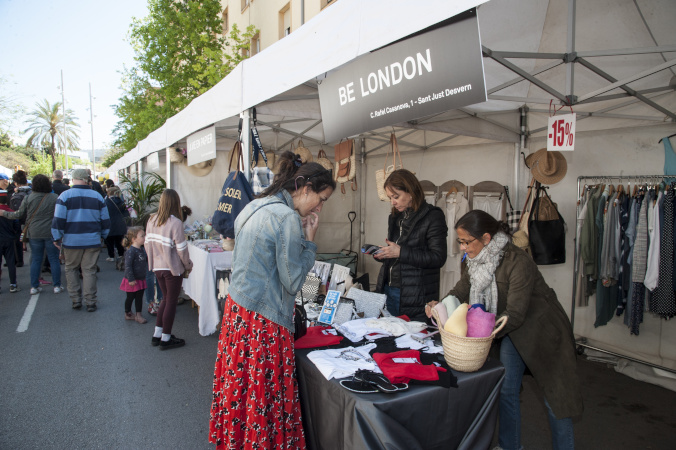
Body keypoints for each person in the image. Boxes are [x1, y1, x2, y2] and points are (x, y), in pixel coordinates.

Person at [426, 210, 583, 450]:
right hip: (510, 331)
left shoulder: (518, 262)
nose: (463, 248)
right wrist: (440, 305)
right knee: (506, 391)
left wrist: (477, 335)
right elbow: (460, 291)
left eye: (467, 242)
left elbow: (516, 313)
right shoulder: (474, 262)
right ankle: (510, 446)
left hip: (543, 332)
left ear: (487, 238)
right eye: (460, 242)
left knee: (556, 399)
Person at [209, 151, 335, 448]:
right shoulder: (286, 217)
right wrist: (310, 242)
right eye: (322, 199)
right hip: (263, 321)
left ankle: (239, 440)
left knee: (243, 388)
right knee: (263, 391)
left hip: (239, 314)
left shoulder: (256, 205)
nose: (320, 206)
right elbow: (293, 282)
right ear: (305, 189)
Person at [372, 169, 448, 320]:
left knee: (411, 339)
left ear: (411, 192)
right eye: (390, 197)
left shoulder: (433, 216)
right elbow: (398, 250)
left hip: (416, 294)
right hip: (388, 288)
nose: (392, 202)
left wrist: (400, 253)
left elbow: (438, 258)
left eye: (396, 197)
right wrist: (385, 254)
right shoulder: (395, 216)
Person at [51, 168, 110, 311]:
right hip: (92, 239)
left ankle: (76, 300)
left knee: (71, 269)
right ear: (87, 179)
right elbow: (106, 221)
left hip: (71, 241)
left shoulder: (64, 196)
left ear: (72, 179)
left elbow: (58, 220)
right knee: (89, 270)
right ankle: (91, 301)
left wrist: (57, 237)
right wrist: (102, 236)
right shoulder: (97, 196)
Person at [145, 189, 193, 350]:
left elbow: (147, 243)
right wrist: (188, 265)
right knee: (171, 300)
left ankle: (157, 334)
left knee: (165, 299)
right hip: (172, 268)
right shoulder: (175, 222)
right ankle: (166, 338)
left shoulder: (151, 220)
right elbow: (182, 249)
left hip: (157, 266)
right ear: (176, 203)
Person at [1, 174, 63, 294]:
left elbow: (18, 214)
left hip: (34, 232)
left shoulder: (29, 198)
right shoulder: (54, 197)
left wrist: (4, 213)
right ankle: (57, 285)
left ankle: (34, 286)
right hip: (51, 232)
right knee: (54, 259)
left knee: (36, 259)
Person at [120, 226, 148, 324]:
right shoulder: (131, 251)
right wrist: (131, 279)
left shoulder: (142, 249)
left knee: (139, 297)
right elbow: (128, 266)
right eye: (142, 236)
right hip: (132, 280)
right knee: (131, 297)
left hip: (141, 279)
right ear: (134, 239)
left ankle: (138, 314)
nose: (145, 237)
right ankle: (128, 313)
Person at [0, 190, 21, 293]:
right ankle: (13, 284)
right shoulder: (11, 212)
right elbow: (17, 227)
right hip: (9, 239)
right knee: (11, 262)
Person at [10, 170, 31, 267]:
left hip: (19, 221)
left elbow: (14, 210)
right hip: (32, 221)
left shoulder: (16, 195)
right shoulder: (32, 192)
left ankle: (19, 260)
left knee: (18, 240)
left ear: (15, 183)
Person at [104, 186, 129, 262]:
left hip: (110, 224)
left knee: (110, 241)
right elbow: (126, 214)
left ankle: (111, 256)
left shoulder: (107, 202)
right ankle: (121, 254)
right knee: (119, 241)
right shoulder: (122, 202)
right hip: (120, 225)